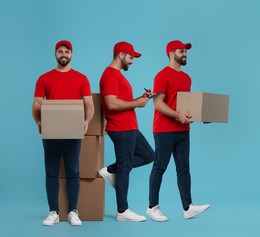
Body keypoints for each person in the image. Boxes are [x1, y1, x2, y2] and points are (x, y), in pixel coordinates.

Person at [32, 40, 94, 226]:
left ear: (72, 54)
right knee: (51, 171)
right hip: (51, 131)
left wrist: (86, 121)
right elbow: (36, 104)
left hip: (73, 131)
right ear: (55, 54)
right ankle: (54, 212)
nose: (63, 54)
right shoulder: (44, 78)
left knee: (73, 171)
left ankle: (73, 211)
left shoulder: (81, 78)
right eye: (60, 51)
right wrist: (38, 121)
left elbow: (89, 104)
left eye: (67, 51)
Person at [147, 40, 210, 222]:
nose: (185, 54)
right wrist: (177, 115)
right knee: (160, 166)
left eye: (186, 52)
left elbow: (186, 106)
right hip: (164, 130)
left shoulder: (187, 78)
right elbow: (158, 104)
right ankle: (152, 207)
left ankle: (188, 207)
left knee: (184, 168)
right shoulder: (162, 75)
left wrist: (201, 115)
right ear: (170, 53)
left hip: (183, 129)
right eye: (181, 51)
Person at [99, 41, 155, 222]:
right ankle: (122, 211)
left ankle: (110, 170)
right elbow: (111, 103)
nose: (132, 61)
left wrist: (140, 98)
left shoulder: (117, 75)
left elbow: (120, 101)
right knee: (125, 167)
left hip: (130, 127)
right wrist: (136, 104)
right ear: (121, 55)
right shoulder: (110, 75)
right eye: (131, 57)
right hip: (121, 128)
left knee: (148, 155)